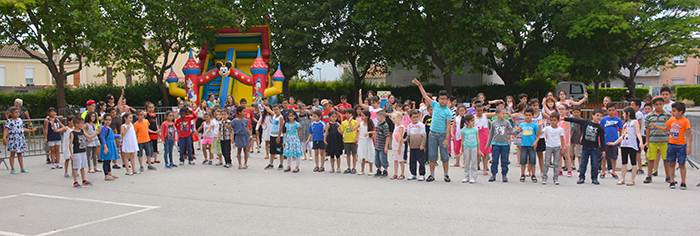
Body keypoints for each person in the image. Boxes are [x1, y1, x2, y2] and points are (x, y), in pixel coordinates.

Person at [413, 78, 453, 183]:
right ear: (438, 99)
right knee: (432, 155)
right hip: (433, 134)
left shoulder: (448, 112)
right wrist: (420, 86)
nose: (442, 100)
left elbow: (448, 126)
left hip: (443, 135)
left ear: (448, 100)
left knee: (444, 156)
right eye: (440, 98)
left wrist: (447, 139)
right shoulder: (435, 105)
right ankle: (431, 174)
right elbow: (425, 96)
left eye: (444, 99)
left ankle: (446, 175)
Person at [651, 102, 692, 190]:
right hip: (671, 143)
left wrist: (689, 146)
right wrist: (656, 126)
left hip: (681, 144)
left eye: (674, 111)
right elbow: (666, 128)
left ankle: (683, 181)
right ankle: (672, 180)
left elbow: (689, 134)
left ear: (680, 112)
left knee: (681, 164)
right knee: (671, 163)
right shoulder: (672, 119)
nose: (672, 113)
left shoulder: (685, 121)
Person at [565, 108, 606, 185]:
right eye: (597, 115)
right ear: (593, 115)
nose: (599, 117)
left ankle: (594, 178)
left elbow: (603, 140)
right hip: (585, 147)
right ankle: (581, 177)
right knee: (583, 163)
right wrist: (565, 118)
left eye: (601, 116)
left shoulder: (600, 127)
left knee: (594, 164)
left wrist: (603, 150)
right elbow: (576, 120)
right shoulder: (586, 122)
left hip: (594, 148)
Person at [607, 107, 643, 186]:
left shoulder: (635, 122)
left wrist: (641, 142)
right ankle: (623, 178)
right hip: (624, 144)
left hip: (632, 145)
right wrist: (614, 143)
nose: (623, 115)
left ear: (628, 113)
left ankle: (632, 179)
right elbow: (622, 135)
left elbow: (638, 132)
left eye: (624, 113)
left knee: (633, 162)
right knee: (624, 162)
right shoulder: (625, 124)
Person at [486, 107, 520, 182]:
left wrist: (517, 131)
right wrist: (488, 144)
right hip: (495, 144)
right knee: (495, 160)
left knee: (505, 160)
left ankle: (504, 174)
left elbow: (512, 131)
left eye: (505, 113)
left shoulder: (507, 122)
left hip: (505, 145)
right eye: (503, 113)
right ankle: (493, 174)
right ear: (497, 114)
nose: (504, 115)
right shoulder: (494, 123)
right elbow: (491, 135)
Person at [644, 96, 671, 183]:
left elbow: (670, 127)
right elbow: (647, 128)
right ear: (653, 105)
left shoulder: (668, 115)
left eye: (660, 104)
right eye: (656, 104)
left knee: (666, 159)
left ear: (663, 104)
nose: (658, 106)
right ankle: (649, 175)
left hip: (665, 140)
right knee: (651, 158)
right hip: (653, 140)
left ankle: (668, 176)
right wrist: (647, 141)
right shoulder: (650, 115)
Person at [3, 107, 38, 174]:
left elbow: (22, 128)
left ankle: (22, 167)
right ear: (11, 113)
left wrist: (31, 130)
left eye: (18, 112)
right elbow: (6, 130)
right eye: (15, 112)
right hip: (13, 137)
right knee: (12, 153)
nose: (17, 114)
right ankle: (12, 168)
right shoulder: (9, 121)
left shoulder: (19, 120)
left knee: (20, 153)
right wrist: (4, 138)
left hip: (20, 137)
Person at [69, 117, 97, 188]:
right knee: (76, 167)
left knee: (83, 166)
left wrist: (97, 133)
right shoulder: (73, 133)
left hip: (83, 150)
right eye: (81, 124)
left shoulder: (81, 131)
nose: (82, 125)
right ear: (76, 124)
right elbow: (70, 143)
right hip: (76, 151)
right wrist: (71, 153)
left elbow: (89, 136)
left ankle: (84, 179)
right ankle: (75, 181)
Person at [518, 108, 541, 183]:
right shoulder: (522, 125)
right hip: (524, 145)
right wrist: (515, 133)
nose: (528, 117)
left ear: (532, 116)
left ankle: (533, 174)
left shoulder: (534, 125)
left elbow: (538, 136)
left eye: (529, 115)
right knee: (523, 160)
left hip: (532, 145)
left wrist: (536, 142)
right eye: (526, 115)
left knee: (532, 160)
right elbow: (517, 131)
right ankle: (522, 174)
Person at [541, 112, 565, 185]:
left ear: (558, 120)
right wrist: (539, 126)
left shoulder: (560, 129)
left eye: (554, 120)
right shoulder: (547, 128)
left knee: (556, 163)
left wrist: (562, 148)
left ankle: (555, 178)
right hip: (549, 146)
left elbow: (562, 139)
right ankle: (544, 177)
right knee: (547, 163)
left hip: (557, 146)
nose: (553, 122)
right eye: (551, 120)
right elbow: (539, 133)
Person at [600, 102, 622, 179]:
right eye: (609, 110)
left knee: (614, 157)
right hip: (606, 141)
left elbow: (621, 130)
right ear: (607, 110)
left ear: (615, 110)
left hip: (614, 141)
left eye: (613, 110)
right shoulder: (604, 119)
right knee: (604, 157)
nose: (611, 112)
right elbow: (601, 130)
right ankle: (603, 171)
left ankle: (613, 171)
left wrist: (620, 141)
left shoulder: (618, 119)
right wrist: (601, 141)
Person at [459, 114, 480, 183]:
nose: (473, 122)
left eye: (473, 120)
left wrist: (479, 150)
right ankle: (466, 176)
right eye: (471, 121)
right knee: (467, 162)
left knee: (474, 162)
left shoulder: (475, 130)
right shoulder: (463, 130)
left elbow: (478, 140)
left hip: (474, 147)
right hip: (466, 147)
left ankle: (474, 177)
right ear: (467, 122)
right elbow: (462, 140)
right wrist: (461, 150)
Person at [406, 109, 427, 181]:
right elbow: (408, 136)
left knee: (421, 161)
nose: (415, 118)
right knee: (412, 161)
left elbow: (424, 136)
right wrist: (405, 140)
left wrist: (422, 144)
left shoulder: (421, 125)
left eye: (417, 117)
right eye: (414, 117)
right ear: (410, 118)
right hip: (412, 146)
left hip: (419, 146)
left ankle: (422, 174)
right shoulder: (409, 126)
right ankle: (413, 174)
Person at [99, 114, 120, 180]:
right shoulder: (103, 128)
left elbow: (112, 136)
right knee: (106, 160)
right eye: (106, 120)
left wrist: (120, 135)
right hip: (107, 144)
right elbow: (102, 137)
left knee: (109, 159)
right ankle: (106, 175)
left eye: (109, 120)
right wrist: (105, 146)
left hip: (111, 143)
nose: (108, 121)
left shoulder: (109, 128)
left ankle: (109, 172)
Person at [264, 104, 285, 170]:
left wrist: (279, 137)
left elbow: (281, 127)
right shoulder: (274, 116)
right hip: (272, 135)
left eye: (277, 109)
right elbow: (268, 109)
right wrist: (262, 104)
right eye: (274, 109)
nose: (275, 111)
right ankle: (271, 163)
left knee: (280, 151)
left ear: (280, 109)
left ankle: (281, 164)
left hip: (278, 136)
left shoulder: (281, 117)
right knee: (272, 150)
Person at [340, 108, 359, 174]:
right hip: (346, 140)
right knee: (348, 154)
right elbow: (342, 132)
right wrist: (339, 131)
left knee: (354, 154)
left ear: (352, 115)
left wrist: (357, 138)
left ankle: (354, 167)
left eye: (349, 113)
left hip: (353, 140)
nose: (348, 115)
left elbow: (358, 130)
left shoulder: (355, 122)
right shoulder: (344, 123)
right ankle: (349, 167)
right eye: (347, 113)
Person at [357, 110, 375, 175]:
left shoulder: (370, 123)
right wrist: (350, 122)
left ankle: (371, 170)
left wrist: (371, 134)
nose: (361, 117)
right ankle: (362, 170)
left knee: (370, 154)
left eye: (363, 116)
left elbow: (374, 131)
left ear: (367, 116)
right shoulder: (360, 123)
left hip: (368, 140)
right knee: (362, 155)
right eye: (361, 116)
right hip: (362, 140)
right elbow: (353, 129)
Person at [389, 111, 406, 180]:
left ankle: (402, 173)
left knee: (400, 160)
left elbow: (400, 137)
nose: (393, 120)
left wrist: (399, 147)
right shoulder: (396, 125)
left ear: (399, 118)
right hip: (394, 145)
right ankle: (395, 173)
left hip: (399, 145)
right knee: (395, 160)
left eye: (394, 118)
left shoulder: (401, 127)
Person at [374, 111, 391, 178]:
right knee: (377, 159)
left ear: (381, 117)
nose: (376, 118)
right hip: (377, 144)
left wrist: (386, 146)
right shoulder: (378, 123)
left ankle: (385, 170)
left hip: (383, 145)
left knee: (383, 158)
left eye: (377, 117)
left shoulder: (385, 126)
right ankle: (379, 170)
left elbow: (387, 136)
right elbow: (377, 132)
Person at [569, 106, 583, 173]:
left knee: (579, 154)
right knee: (570, 153)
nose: (576, 113)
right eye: (575, 112)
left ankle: (580, 165)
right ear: (572, 112)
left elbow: (583, 130)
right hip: (571, 138)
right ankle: (571, 165)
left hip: (578, 138)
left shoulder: (581, 120)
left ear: (580, 112)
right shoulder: (570, 119)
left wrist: (582, 137)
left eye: (577, 112)